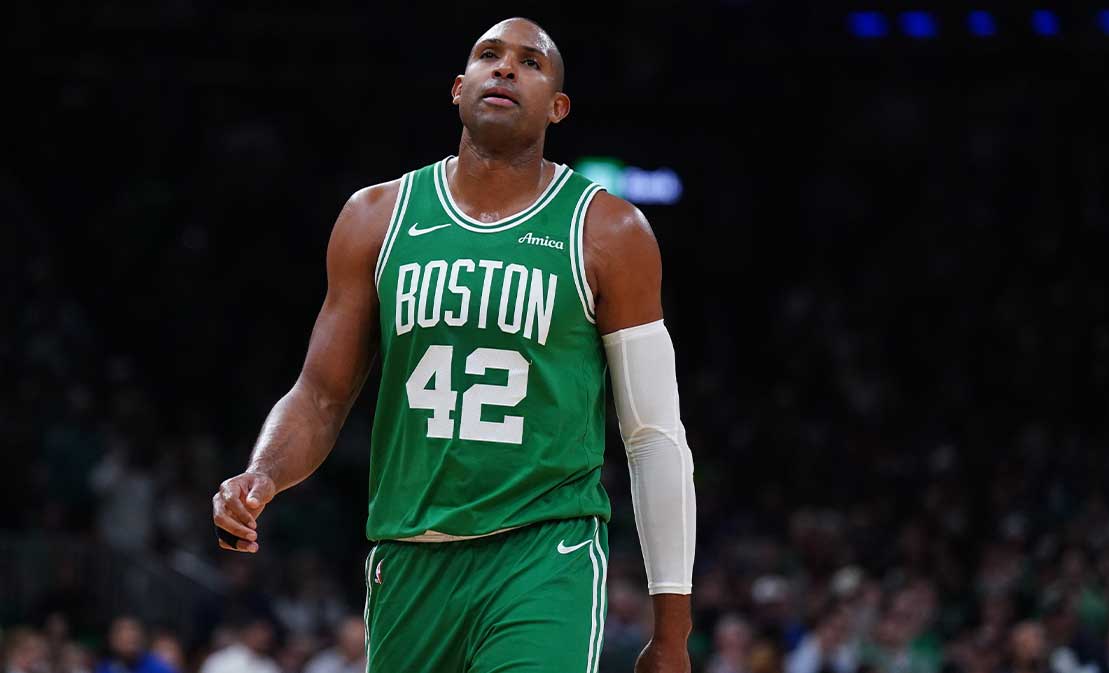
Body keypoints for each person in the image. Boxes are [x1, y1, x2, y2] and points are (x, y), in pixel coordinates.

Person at [211, 16, 696, 673]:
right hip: (408, 556)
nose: (503, 68)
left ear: (558, 106)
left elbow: (653, 433)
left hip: (542, 552)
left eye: (530, 62)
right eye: (488, 55)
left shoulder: (609, 230)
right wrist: (261, 473)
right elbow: (321, 395)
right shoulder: (375, 216)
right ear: (457, 87)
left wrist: (672, 631)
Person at [95, 617, 176, 673]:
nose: (128, 640)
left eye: (132, 636)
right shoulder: (105, 668)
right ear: (112, 640)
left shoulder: (159, 668)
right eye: (122, 637)